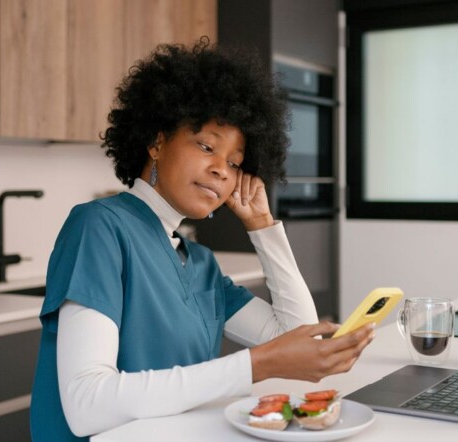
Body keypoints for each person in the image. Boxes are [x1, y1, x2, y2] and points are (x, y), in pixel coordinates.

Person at [29, 38, 375, 441]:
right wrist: (256, 365)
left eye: (234, 163)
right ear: (157, 142)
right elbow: (87, 404)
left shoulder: (200, 264)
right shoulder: (100, 227)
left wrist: (263, 225)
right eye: (206, 146)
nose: (221, 171)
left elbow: (299, 337)